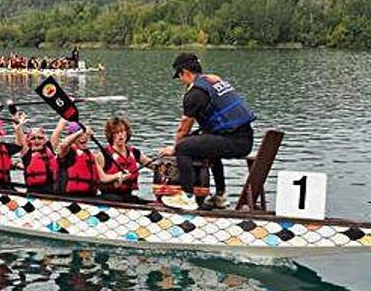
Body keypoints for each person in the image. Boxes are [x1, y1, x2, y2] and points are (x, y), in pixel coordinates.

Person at [158, 53, 255, 211]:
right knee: (205, 144)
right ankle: (220, 196)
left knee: (184, 147)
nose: (181, 81)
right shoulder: (213, 79)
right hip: (245, 138)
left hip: (235, 142)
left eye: (180, 76)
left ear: (185, 72)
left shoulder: (194, 94)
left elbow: (183, 130)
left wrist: (175, 149)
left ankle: (187, 197)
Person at [53, 118, 128, 197]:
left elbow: (103, 178)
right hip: (68, 198)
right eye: (80, 135)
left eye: (86, 135)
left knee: (115, 197)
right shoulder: (67, 152)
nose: (83, 137)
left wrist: (118, 175)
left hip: (88, 198)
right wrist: (81, 131)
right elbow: (63, 145)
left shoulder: (91, 156)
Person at [95, 117, 154, 203]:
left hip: (128, 195)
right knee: (118, 199)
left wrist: (162, 165)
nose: (120, 135)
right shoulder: (103, 155)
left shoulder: (135, 152)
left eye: (122, 131)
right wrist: (116, 176)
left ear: (127, 133)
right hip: (109, 196)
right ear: (111, 135)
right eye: (116, 132)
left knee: (136, 200)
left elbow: (151, 164)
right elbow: (100, 179)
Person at [13, 115, 58, 194]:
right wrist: (18, 128)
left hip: (51, 193)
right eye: (33, 138)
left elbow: (58, 130)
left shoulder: (50, 150)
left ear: (44, 140)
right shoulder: (27, 154)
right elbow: (20, 138)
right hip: (32, 193)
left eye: (40, 138)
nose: (36, 141)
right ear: (29, 141)